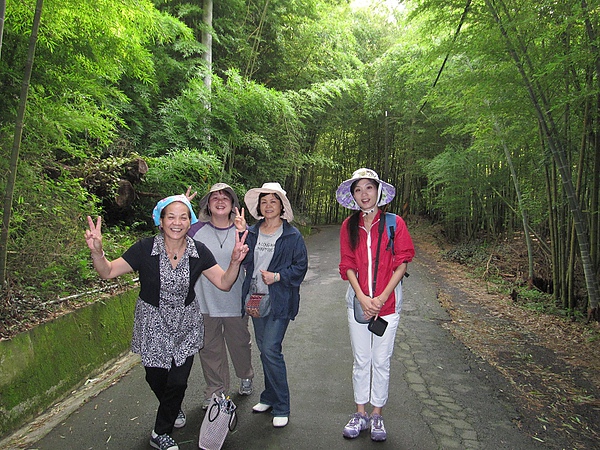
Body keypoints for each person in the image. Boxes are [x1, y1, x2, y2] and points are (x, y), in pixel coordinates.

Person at [85, 195, 249, 450]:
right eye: (170, 216)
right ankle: (171, 407)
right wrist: (98, 252)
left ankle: (161, 432)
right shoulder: (144, 249)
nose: (177, 222)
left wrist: (235, 261)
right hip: (152, 322)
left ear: (190, 221)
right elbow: (107, 271)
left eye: (183, 217)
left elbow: (224, 283)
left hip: (186, 323)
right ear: (160, 221)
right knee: (155, 377)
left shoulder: (198, 251)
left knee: (179, 381)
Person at [336, 168, 415, 442]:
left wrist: (381, 298)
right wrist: (363, 298)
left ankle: (377, 413)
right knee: (362, 360)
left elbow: (402, 261)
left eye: (369, 188)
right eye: (358, 190)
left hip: (389, 304)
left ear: (378, 191)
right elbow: (347, 264)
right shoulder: (349, 226)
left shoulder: (394, 223)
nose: (364, 194)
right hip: (358, 304)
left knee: (381, 361)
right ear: (353, 195)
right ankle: (360, 413)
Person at [241, 182, 308, 428]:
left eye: (273, 201)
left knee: (271, 349)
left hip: (280, 300)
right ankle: (268, 396)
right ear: (259, 206)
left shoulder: (291, 235)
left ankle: (282, 405)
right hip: (256, 298)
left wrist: (277, 277)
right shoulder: (252, 231)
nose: (268, 206)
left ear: (282, 206)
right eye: (264, 201)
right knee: (264, 350)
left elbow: (300, 268)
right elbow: (245, 260)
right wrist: (241, 236)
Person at [186, 183, 255, 408]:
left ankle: (245, 374)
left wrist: (245, 232)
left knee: (240, 343)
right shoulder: (195, 230)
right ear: (207, 204)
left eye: (226, 197)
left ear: (233, 205)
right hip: (203, 301)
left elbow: (254, 259)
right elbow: (168, 230)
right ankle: (216, 390)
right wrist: (182, 203)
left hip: (235, 300)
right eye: (215, 197)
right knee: (209, 348)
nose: (220, 200)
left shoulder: (243, 229)